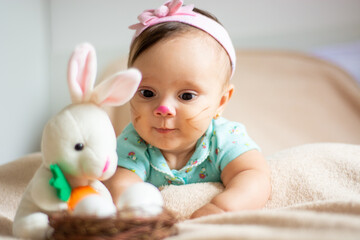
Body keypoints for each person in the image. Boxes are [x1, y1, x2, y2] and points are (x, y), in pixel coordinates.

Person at [105, 0, 271, 219]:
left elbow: (253, 175)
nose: (163, 109)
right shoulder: (132, 143)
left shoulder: (224, 138)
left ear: (221, 102)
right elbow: (121, 185)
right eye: (147, 93)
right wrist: (146, 211)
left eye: (186, 96)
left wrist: (222, 208)